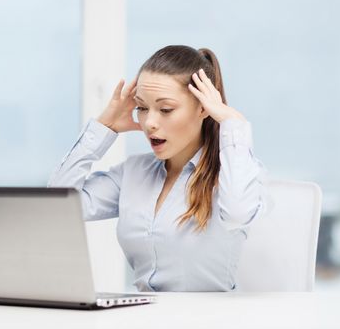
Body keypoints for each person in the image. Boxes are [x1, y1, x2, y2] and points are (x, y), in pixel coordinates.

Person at [48, 45, 267, 292]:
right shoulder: (133, 173)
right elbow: (59, 205)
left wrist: (232, 123)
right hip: (143, 316)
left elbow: (238, 213)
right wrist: (104, 127)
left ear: (203, 108)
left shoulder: (232, 174)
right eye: (141, 108)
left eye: (165, 110)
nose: (149, 123)